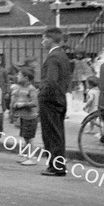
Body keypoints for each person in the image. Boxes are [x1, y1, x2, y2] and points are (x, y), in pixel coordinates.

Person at [39, 27, 72, 176]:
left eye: (44, 39)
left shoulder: (53, 57)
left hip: (50, 100)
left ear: (50, 40)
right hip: (60, 98)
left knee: (51, 134)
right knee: (58, 133)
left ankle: (56, 167)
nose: (42, 42)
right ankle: (58, 165)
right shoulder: (63, 55)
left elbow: (51, 81)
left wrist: (42, 94)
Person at [11, 67, 39, 165]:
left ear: (26, 77)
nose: (17, 76)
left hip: (31, 117)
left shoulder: (31, 89)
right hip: (24, 117)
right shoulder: (21, 88)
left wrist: (22, 104)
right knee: (25, 137)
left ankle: (32, 158)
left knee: (30, 138)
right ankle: (28, 156)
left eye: (19, 75)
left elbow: (34, 103)